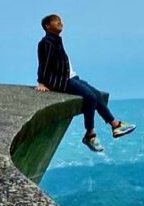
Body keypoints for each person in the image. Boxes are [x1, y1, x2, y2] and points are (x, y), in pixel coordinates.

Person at [35, 14, 135, 152]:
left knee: (97, 94)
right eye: (56, 22)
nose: (61, 24)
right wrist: (41, 82)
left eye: (61, 22)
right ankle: (90, 134)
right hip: (62, 81)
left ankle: (115, 125)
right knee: (90, 97)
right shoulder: (46, 43)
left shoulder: (56, 40)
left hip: (72, 77)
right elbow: (43, 64)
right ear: (47, 26)